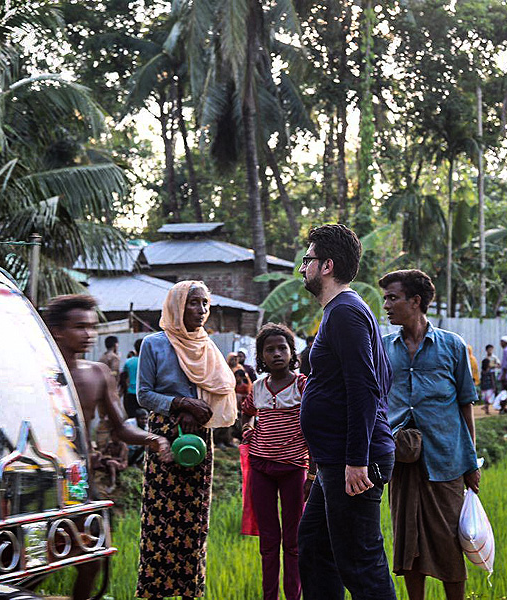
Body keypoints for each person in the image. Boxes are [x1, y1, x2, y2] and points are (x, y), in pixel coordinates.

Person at [43, 295, 168, 600]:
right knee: (29, 557)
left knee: (94, 555)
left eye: (92, 327)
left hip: (78, 481)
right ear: (57, 330)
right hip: (41, 477)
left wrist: (152, 438)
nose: (89, 334)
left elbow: (120, 426)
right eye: (80, 327)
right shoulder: (36, 373)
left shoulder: (98, 373)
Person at [296, 224, 396, 600]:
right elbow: (375, 379)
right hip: (335, 460)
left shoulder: (346, 313)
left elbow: (367, 387)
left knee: (361, 562)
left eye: (308, 260)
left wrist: (356, 459)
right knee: (316, 547)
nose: (303, 267)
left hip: (352, 461)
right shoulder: (344, 311)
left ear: (326, 266)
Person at [380, 269, 480, 600]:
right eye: (385, 299)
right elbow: (376, 404)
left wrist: (472, 462)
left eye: (393, 298)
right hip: (402, 462)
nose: (387, 305)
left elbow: (466, 406)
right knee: (408, 544)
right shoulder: (382, 348)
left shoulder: (452, 346)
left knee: (450, 540)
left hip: (446, 460)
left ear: (416, 301)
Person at [136, 281, 237, 599]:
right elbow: (144, 394)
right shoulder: (154, 344)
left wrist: (199, 411)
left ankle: (190, 589)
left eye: (206, 304)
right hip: (164, 438)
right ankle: (154, 589)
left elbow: (221, 390)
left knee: (194, 517)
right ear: (177, 305)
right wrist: (180, 403)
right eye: (194, 303)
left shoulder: (207, 346)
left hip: (198, 437)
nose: (201, 310)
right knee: (159, 516)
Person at [240, 323, 308, 600]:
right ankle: (270, 596)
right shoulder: (256, 387)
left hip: (294, 468)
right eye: (270, 350)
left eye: (283, 348)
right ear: (261, 356)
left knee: (293, 541)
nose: (277, 353)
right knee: (269, 541)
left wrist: (313, 473)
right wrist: (247, 428)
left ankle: (293, 595)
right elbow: (245, 414)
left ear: (292, 352)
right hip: (261, 467)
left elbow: (316, 423)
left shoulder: (303, 384)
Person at [120, 338, 143, 418]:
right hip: (145, 394)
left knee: (132, 419)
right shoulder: (149, 361)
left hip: (130, 394)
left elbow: (123, 377)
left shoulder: (128, 362)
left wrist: (124, 391)